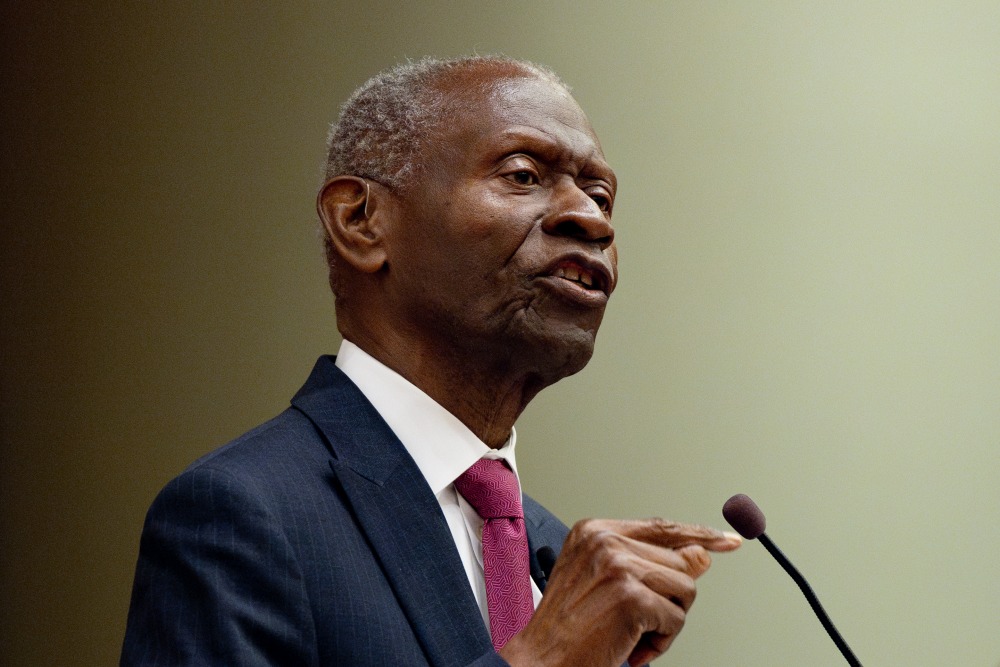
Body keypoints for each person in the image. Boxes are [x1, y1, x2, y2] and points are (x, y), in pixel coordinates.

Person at [120, 55, 742, 667]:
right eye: (523, 175)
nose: (589, 218)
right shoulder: (241, 515)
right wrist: (541, 661)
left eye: (601, 195)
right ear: (361, 220)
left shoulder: (560, 560)